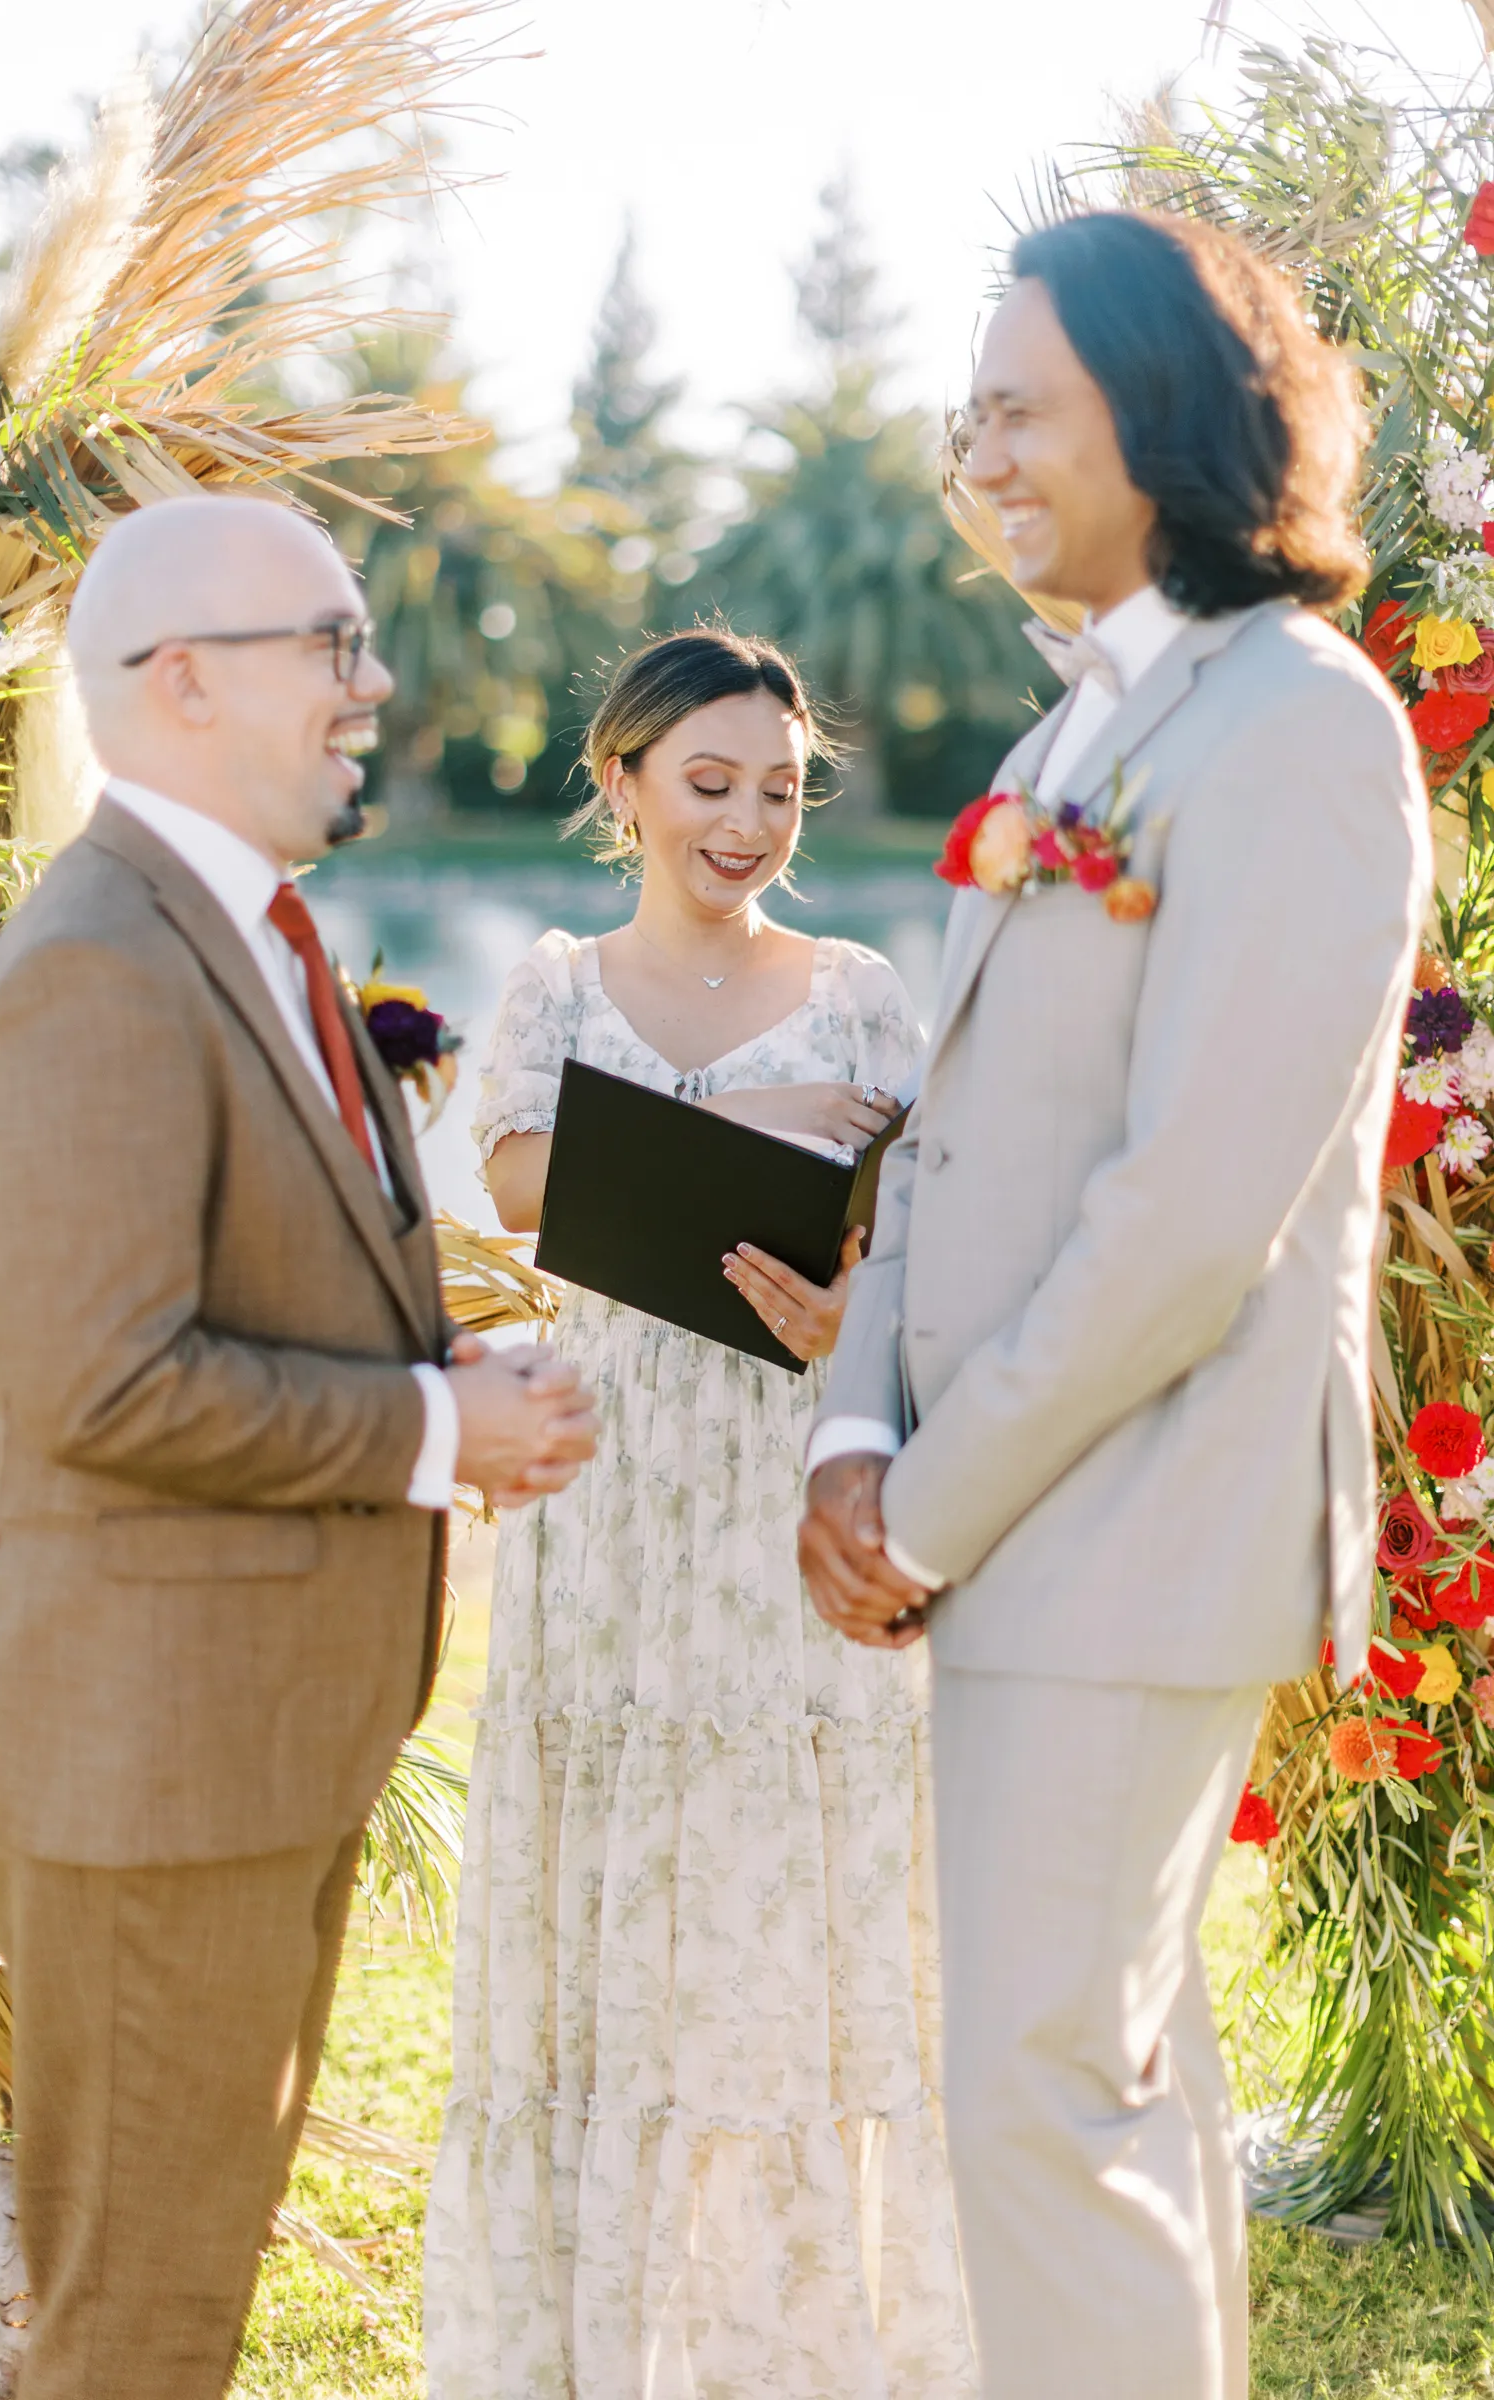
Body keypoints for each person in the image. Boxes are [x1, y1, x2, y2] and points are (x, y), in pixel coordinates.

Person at [799, 210, 1431, 2400]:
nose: (972, 452)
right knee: (1103, 2089)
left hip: (1130, 1513)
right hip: (1010, 1505)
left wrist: (930, 1497)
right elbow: (962, 1133)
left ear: (1161, 419)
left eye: (1015, 407)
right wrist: (846, 1434)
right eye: (960, 410)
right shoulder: (1078, 734)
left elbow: (1190, 1209)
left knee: (1042, 2103)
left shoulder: (1291, 730)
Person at [0, 493, 597, 2400]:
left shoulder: (255, 940)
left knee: (180, 2308)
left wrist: (437, 1350)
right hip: (150, 1766)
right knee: (131, 2327)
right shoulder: (97, 968)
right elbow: (104, 1388)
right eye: (334, 644)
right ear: (182, 679)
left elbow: (230, 1290)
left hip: (245, 1752)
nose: (374, 685)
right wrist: (430, 1423)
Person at [422, 629, 973, 2396]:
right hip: (613, 1488)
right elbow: (513, 1178)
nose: (748, 822)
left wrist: (857, 1317)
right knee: (612, 1880)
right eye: (711, 783)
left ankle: (801, 2340)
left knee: (796, 1885)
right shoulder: (561, 980)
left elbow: (920, 1225)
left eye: (782, 790)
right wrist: (744, 1111)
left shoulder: (866, 987)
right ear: (626, 783)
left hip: (793, 1454)